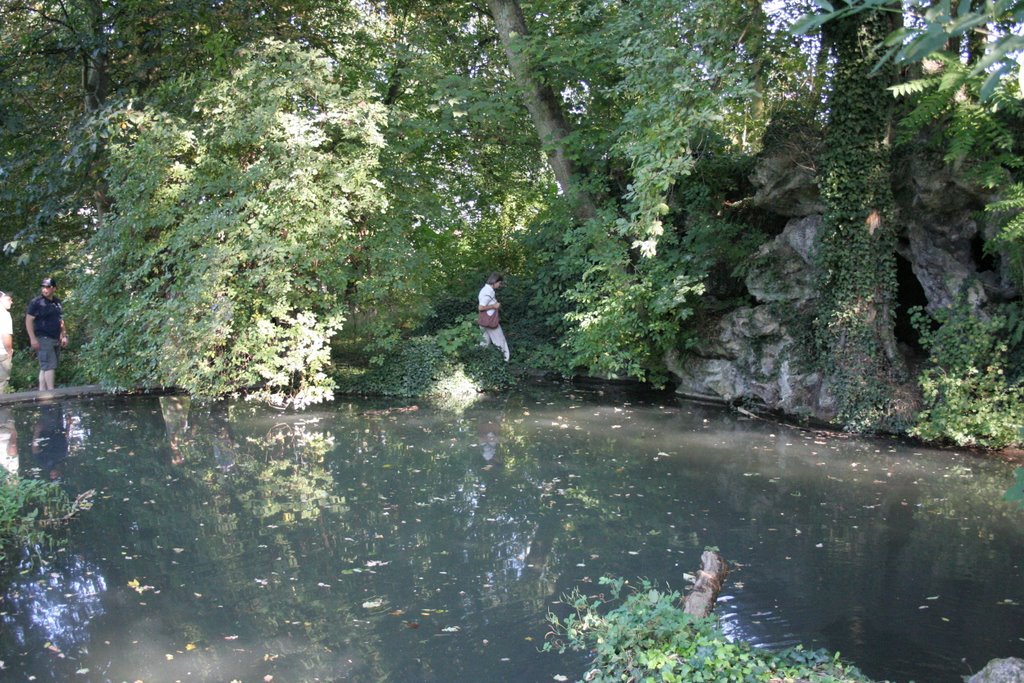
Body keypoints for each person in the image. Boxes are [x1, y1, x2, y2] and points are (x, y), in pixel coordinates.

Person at [25, 277, 67, 391]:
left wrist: (64, 335)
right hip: (43, 338)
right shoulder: (36, 302)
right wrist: (32, 339)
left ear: (54, 288)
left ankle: (42, 392)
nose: (45, 289)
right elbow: (28, 320)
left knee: (45, 367)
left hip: (55, 338)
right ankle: (51, 393)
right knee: (49, 366)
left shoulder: (57, 302)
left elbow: (61, 319)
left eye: (48, 287)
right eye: (43, 287)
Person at [478, 272, 510, 362]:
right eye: (499, 283)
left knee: (484, 342)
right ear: (494, 282)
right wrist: (494, 306)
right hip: (490, 321)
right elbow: (481, 307)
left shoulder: (485, 289)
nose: (499, 285)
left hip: (484, 321)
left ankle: (479, 363)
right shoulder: (489, 291)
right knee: (500, 341)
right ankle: (503, 362)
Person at [0, 291, 13, 392]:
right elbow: (5, 335)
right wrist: (9, 351)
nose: (11, 302)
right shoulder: (4, 314)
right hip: (2, 353)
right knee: (2, 383)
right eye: (8, 299)